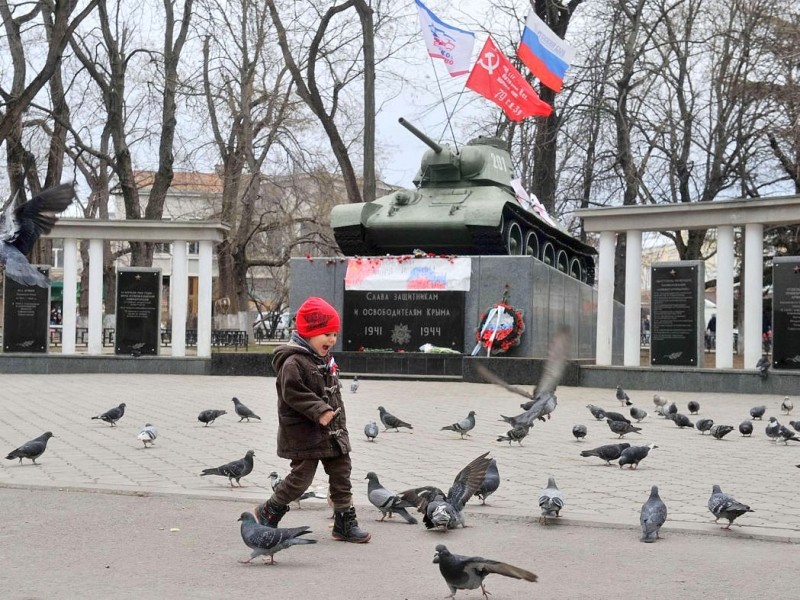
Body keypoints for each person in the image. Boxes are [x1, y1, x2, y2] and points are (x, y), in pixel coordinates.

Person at [254, 296, 370, 543]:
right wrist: (319, 410)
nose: (332, 340)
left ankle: (344, 521)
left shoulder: (324, 360)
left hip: (333, 431)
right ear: (308, 333)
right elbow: (292, 391)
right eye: (326, 334)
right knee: (301, 479)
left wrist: (335, 419)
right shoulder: (293, 361)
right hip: (305, 432)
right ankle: (269, 510)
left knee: (342, 473)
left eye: (335, 334)